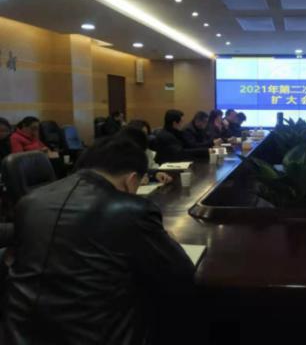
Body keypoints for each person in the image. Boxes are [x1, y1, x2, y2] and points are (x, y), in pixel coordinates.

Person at [3, 137, 195, 344]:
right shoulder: (131, 210)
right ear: (132, 180)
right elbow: (181, 273)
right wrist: (167, 239)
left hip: (17, 332)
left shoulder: (30, 201)